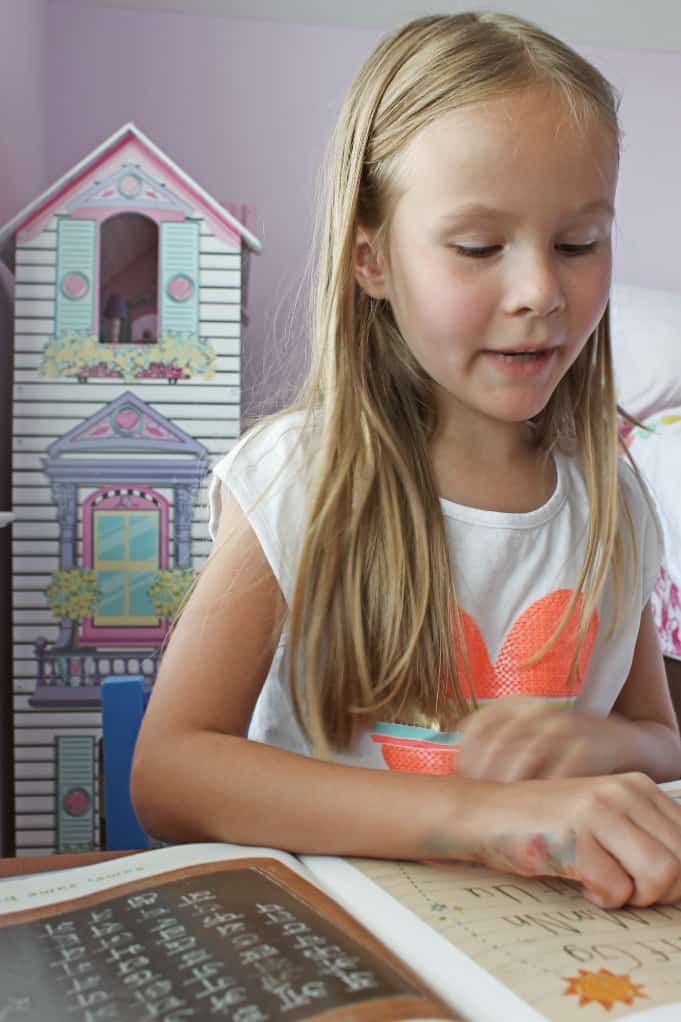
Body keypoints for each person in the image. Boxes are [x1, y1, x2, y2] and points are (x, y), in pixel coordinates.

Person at [131, 12, 681, 909]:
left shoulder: (612, 493)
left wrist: (604, 748)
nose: (541, 290)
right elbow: (171, 775)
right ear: (371, 258)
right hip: (339, 939)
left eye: (577, 243)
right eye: (476, 248)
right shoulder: (299, 478)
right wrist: (481, 817)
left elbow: (662, 739)